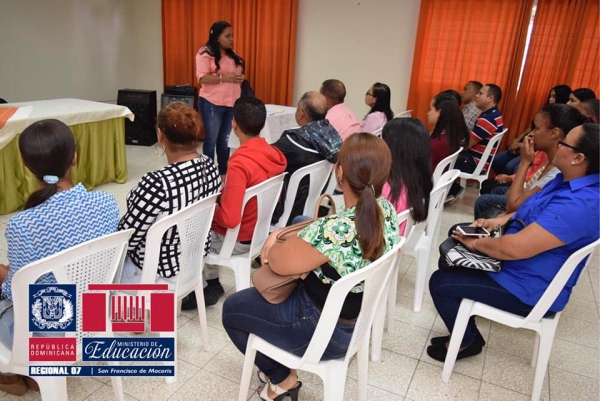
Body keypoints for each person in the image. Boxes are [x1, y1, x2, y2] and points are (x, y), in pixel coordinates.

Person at [222, 132, 400, 401]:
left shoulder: (335, 231)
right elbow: (330, 231)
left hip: (322, 331)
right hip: (355, 320)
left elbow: (277, 262)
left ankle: (283, 378)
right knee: (302, 221)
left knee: (232, 309)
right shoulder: (385, 208)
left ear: (340, 173)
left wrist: (275, 239)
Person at [427, 122, 600, 362]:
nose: (557, 145)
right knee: (454, 246)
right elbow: (527, 210)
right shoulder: (565, 180)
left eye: (563, 143)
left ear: (578, 158)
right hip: (521, 265)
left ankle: (467, 341)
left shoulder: (580, 204)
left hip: (528, 287)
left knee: (440, 282)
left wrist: (477, 244)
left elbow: (514, 248)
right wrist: (496, 222)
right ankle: (463, 324)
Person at [0, 119, 119, 395]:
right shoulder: (107, 203)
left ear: (25, 164)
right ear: (74, 157)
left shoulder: (23, 225)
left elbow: (15, 293)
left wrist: (5, 273)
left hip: (51, 334)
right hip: (97, 313)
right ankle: (34, 376)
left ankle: (11, 377)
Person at [118, 102, 221, 289]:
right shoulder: (210, 167)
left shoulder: (157, 183)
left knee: (96, 277)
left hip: (155, 273)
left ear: (160, 135)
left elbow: (127, 240)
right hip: (193, 263)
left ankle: (106, 309)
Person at [202, 97, 287, 306]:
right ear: (263, 124)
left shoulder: (240, 162)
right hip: (259, 234)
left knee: (190, 227)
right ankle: (209, 282)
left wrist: (209, 207)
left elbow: (230, 220)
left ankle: (204, 285)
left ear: (234, 123)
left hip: (237, 240)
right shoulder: (275, 154)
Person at [474, 104, 587, 218]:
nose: (531, 134)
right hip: (521, 207)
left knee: (484, 201)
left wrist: (524, 162)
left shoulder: (556, 172)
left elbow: (512, 206)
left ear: (554, 133)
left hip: (523, 216)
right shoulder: (551, 160)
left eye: (536, 128)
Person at [271, 92, 341, 226]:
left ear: (301, 113)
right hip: (313, 205)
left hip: (288, 211)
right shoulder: (332, 136)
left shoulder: (293, 141)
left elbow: (266, 156)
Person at [195, 20, 245, 177]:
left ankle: (223, 172)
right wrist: (225, 78)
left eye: (232, 36)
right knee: (211, 140)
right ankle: (208, 173)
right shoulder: (205, 53)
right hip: (212, 103)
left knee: (224, 141)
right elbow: (202, 78)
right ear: (217, 37)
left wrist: (240, 78)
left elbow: (235, 75)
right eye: (227, 36)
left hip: (231, 103)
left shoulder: (232, 54)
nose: (231, 39)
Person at [492, 85, 572, 176]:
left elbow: (540, 143)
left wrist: (519, 146)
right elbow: (530, 129)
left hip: (535, 149)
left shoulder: (561, 119)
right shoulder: (545, 112)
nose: (550, 100)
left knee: (511, 167)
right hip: (526, 143)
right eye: (550, 96)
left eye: (554, 97)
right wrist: (516, 140)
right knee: (497, 160)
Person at [446, 83, 504, 203]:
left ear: (490, 98)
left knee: (442, 156)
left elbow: (467, 145)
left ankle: (452, 190)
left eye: (480, 93)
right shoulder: (494, 114)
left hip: (473, 162)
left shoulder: (487, 119)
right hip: (478, 159)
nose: (477, 96)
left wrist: (448, 148)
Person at [381, 118, 433, 234]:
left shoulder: (387, 189)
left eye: (383, 141)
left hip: (385, 242)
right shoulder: (417, 181)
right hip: (402, 240)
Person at [427, 93, 470, 171]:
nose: (428, 113)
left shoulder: (436, 143)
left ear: (439, 113)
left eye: (431, 109)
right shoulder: (451, 137)